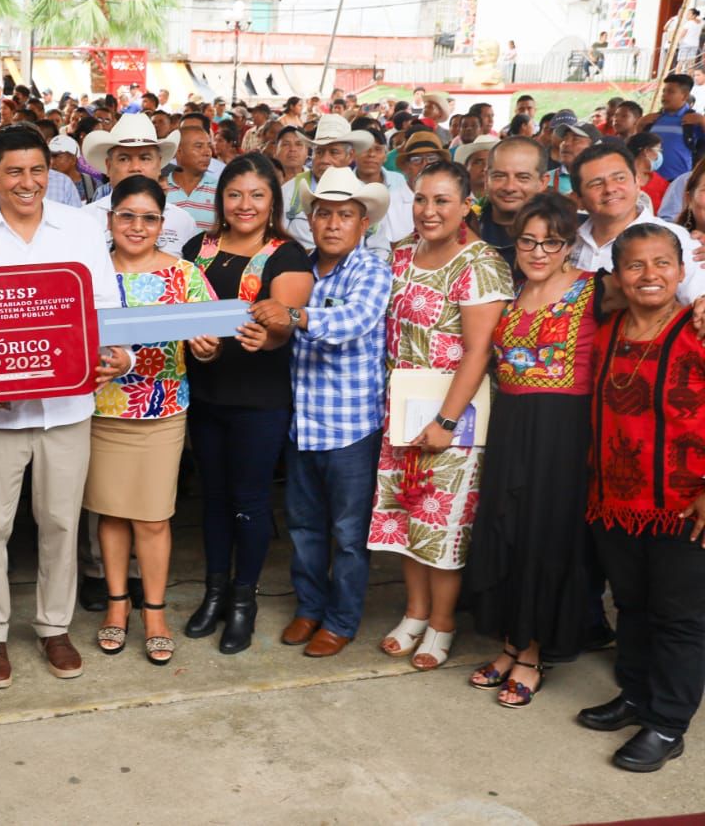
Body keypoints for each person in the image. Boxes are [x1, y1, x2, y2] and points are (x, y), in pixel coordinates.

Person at [0, 127, 128, 688]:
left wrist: (117, 356)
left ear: (52, 173)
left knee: (59, 523)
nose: (28, 183)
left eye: (37, 171)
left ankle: (53, 626)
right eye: (15, 172)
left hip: (69, 406)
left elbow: (105, 311)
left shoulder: (79, 229)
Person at [464, 193, 616, 708]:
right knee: (506, 531)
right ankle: (512, 643)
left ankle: (532, 655)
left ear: (568, 244)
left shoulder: (595, 288)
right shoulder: (508, 293)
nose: (537, 251)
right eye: (527, 240)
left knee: (545, 539)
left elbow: (657, 295)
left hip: (563, 432)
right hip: (511, 426)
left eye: (550, 241)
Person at [368, 161, 513, 671]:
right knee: (407, 517)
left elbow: (479, 352)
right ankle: (414, 613)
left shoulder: (480, 263)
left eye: (442, 201)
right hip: (402, 407)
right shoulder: (400, 254)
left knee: (444, 522)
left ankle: (443, 624)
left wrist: (447, 422)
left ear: (466, 204)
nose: (430, 211)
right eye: (422, 199)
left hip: (455, 412)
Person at [579, 223, 705, 773]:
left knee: (679, 618)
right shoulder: (606, 332)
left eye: (661, 263)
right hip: (614, 500)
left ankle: (667, 724)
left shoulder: (698, 330)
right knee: (631, 606)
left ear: (681, 270)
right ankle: (634, 695)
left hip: (683, 505)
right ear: (617, 274)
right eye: (635, 264)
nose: (649, 275)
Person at [181, 153, 314, 654]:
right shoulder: (200, 247)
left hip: (260, 399)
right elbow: (184, 311)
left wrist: (270, 339)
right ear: (221, 199)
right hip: (207, 393)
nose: (245, 204)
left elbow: (284, 321)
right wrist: (195, 340)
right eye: (235, 194)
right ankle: (214, 593)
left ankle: (243, 601)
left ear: (273, 202)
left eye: (257, 195)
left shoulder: (288, 254)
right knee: (212, 499)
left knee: (250, 501)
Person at [262, 168, 391, 658]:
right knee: (304, 527)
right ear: (310, 220)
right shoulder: (299, 269)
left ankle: (341, 620)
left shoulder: (372, 271)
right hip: (303, 426)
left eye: (345, 215)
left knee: (349, 535)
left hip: (352, 429)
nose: (332, 224)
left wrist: (295, 315)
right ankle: (310, 608)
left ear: (363, 224)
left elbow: (353, 321)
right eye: (323, 214)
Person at [87, 176, 216, 666]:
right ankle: (117, 607)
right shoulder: (90, 273)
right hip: (103, 410)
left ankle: (155, 613)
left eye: (148, 218)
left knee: (154, 517)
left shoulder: (185, 275)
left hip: (162, 411)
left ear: (162, 224)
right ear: (110, 218)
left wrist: (206, 348)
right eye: (127, 215)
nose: (137, 226)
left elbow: (209, 337)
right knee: (112, 513)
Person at [571, 143, 705, 304]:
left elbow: (699, 308)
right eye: (596, 184)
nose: (610, 189)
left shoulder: (679, 241)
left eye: (619, 178)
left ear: (637, 182)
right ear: (579, 199)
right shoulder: (565, 242)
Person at [82, 113, 198, 253]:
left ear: (159, 164)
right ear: (108, 166)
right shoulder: (84, 219)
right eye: (124, 159)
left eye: (145, 158)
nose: (135, 167)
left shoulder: (183, 221)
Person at [281, 114, 381, 257]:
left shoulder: (365, 195)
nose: (325, 160)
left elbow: (379, 247)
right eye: (319, 152)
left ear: (351, 156)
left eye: (334, 152)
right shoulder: (290, 192)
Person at [481, 137, 550, 266]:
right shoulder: (463, 229)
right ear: (486, 178)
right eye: (499, 176)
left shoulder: (563, 233)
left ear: (543, 182)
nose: (509, 187)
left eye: (522, 178)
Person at [638, 74, 704, 183]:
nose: (664, 95)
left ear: (684, 96)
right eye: (664, 91)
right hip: (651, 180)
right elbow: (638, 146)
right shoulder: (652, 119)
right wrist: (640, 125)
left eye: (671, 92)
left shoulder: (694, 119)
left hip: (679, 181)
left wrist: (702, 122)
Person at [355, 126, 415, 246]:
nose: (371, 154)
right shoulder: (344, 184)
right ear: (353, 154)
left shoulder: (398, 180)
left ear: (385, 155)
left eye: (377, 149)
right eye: (365, 149)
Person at [167, 124, 218, 231]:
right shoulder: (160, 187)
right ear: (179, 152)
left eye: (209, 145)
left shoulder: (219, 190)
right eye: (198, 146)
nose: (207, 152)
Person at [628, 131, 670, 213]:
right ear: (646, 151)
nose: (660, 155)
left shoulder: (661, 183)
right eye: (658, 150)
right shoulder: (621, 178)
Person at [455, 135, 498, 201]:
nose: (485, 167)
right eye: (478, 162)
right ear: (465, 168)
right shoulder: (456, 199)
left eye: (490, 162)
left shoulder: (505, 201)